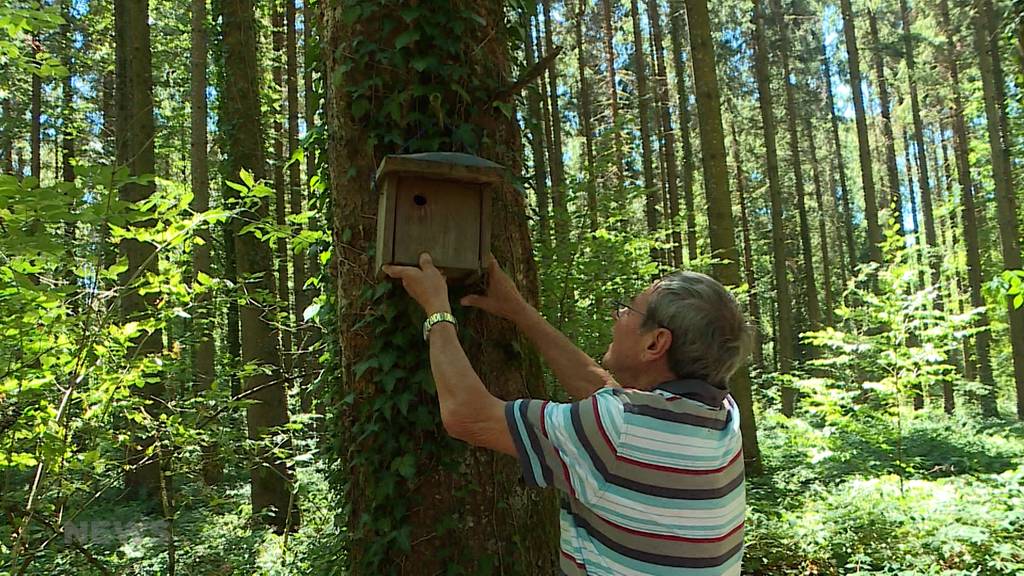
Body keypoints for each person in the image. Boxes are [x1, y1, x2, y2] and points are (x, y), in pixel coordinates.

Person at [383, 252, 749, 575]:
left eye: (629, 309)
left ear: (655, 343)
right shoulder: (722, 417)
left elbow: (467, 414)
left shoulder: (617, 428)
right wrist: (519, 311)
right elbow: (607, 391)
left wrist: (437, 309)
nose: (618, 314)